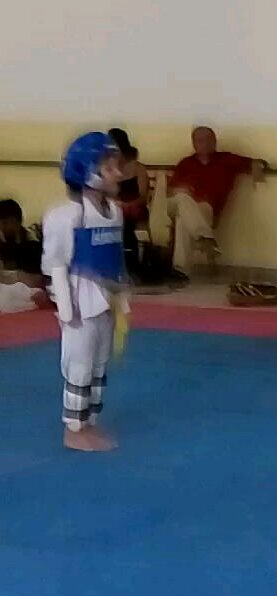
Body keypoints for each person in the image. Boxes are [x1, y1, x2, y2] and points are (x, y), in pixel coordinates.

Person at [41, 132, 130, 452]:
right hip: (80, 301)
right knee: (79, 364)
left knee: (99, 363)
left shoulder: (114, 212)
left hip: (107, 298)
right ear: (88, 172)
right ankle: (74, 428)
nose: (118, 173)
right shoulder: (66, 216)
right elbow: (55, 265)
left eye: (117, 166)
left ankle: (90, 421)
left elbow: (116, 258)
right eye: (109, 167)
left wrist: (122, 296)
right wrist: (66, 309)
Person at [167, 126, 268, 282]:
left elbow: (258, 163)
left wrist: (259, 167)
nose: (205, 143)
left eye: (209, 139)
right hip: (176, 204)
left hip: (205, 210)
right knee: (182, 198)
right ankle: (206, 238)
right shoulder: (186, 163)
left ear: (215, 141)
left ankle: (181, 270)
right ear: (194, 144)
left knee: (183, 221)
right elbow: (170, 191)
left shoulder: (226, 160)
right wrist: (183, 191)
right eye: (200, 140)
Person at [108, 128, 150, 276]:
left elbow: (143, 196)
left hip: (135, 206)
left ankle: (130, 263)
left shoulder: (138, 168)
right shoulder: (108, 169)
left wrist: (129, 204)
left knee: (125, 216)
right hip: (114, 206)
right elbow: (104, 193)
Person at [0, 198, 42, 275]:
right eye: (4, 223)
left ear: (19, 221)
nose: (8, 227)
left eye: (12, 222)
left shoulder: (32, 242)